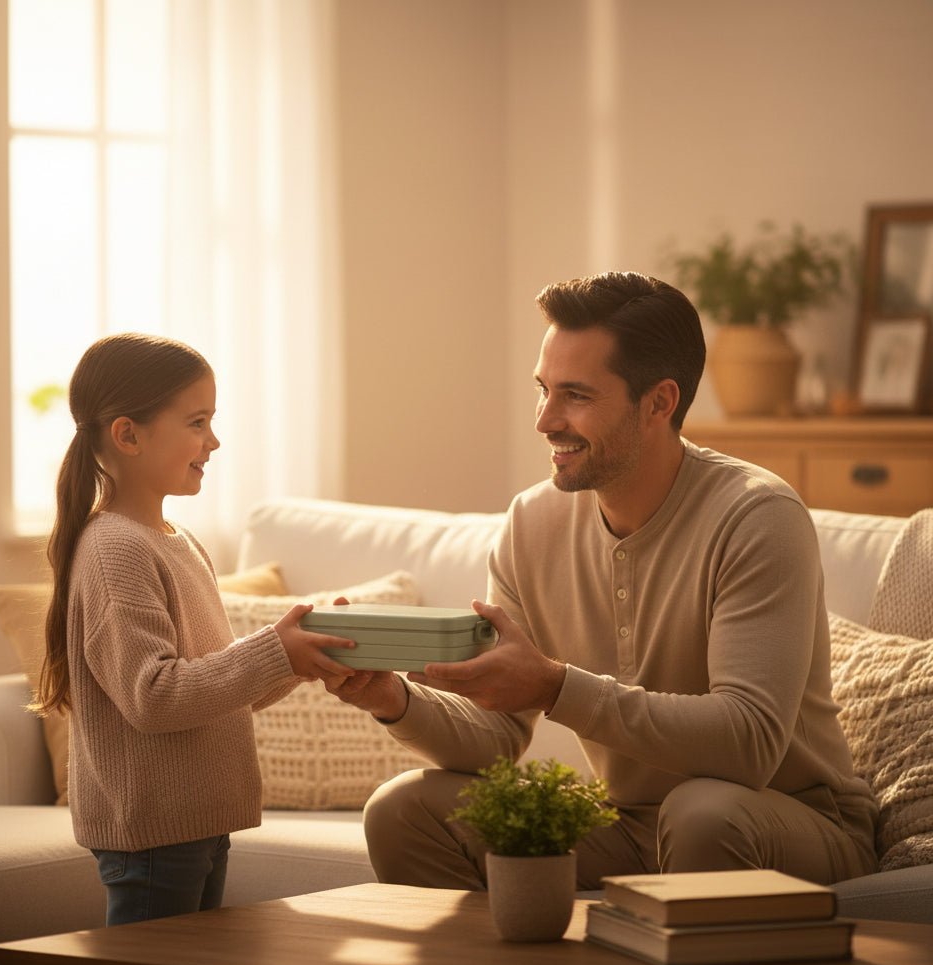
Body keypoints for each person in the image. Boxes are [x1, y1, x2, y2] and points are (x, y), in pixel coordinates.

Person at [323, 272, 879, 892]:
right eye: (543, 389)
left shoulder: (757, 516)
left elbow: (748, 745)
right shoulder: (531, 523)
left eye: (576, 396)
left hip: (787, 822)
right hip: (628, 827)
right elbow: (500, 737)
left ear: (659, 403)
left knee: (701, 813)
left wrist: (557, 686)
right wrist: (395, 702)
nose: (544, 421)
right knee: (407, 811)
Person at [30, 332, 357, 965]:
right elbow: (154, 696)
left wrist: (298, 656)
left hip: (198, 820)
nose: (214, 441)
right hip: (151, 832)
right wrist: (273, 650)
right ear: (128, 435)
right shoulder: (114, 550)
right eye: (198, 422)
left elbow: (215, 688)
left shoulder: (176, 542)